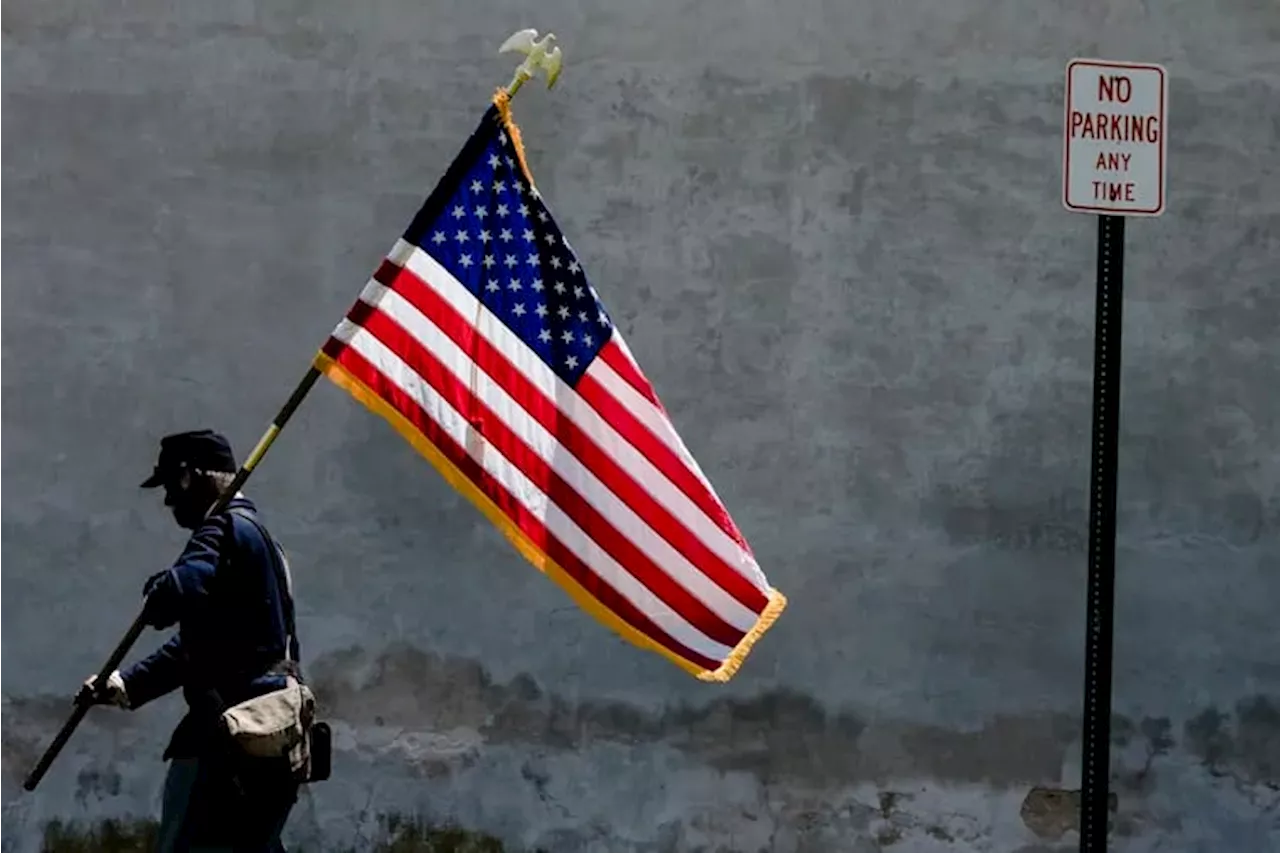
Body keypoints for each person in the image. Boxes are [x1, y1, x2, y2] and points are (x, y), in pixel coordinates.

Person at [81, 428, 304, 851]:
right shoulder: (258, 538)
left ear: (190, 476)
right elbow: (196, 648)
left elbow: (177, 593)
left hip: (229, 738)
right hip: (271, 736)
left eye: (170, 485)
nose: (168, 501)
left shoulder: (222, 531)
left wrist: (156, 589)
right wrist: (123, 684)